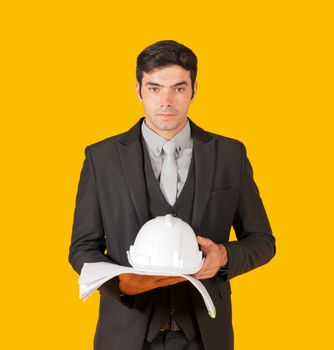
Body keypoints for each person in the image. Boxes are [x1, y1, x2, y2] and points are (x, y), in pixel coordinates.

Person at [68, 40, 276, 350]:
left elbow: (262, 241)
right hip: (125, 335)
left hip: (206, 336)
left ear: (194, 90)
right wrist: (121, 285)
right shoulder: (101, 158)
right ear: (138, 90)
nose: (166, 101)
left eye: (178, 89)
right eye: (154, 88)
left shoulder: (230, 155)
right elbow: (82, 248)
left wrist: (224, 257)